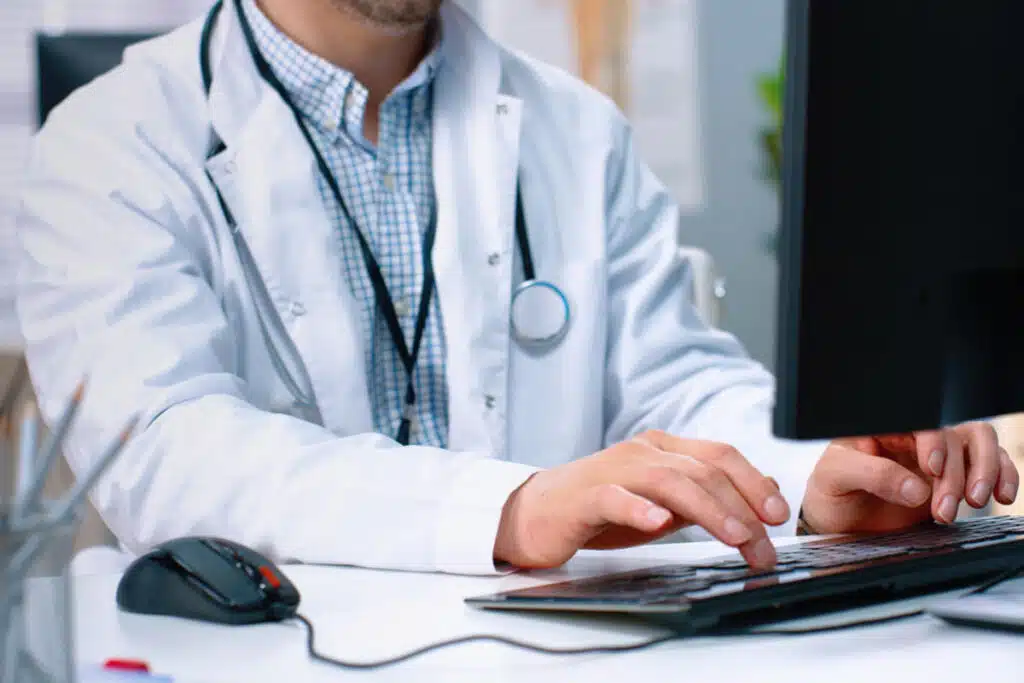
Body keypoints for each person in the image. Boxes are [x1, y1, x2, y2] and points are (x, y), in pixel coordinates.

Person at [16, 0, 1018, 575]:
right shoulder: (112, 142)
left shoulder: (573, 128)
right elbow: (165, 449)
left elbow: (677, 387)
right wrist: (509, 507)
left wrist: (814, 468)